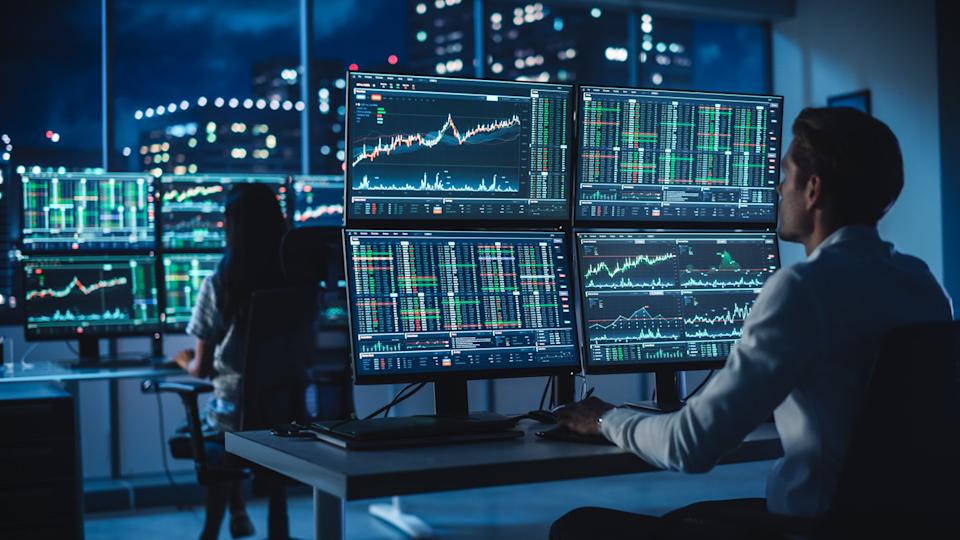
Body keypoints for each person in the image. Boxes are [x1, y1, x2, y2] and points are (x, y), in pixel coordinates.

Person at [550, 107, 954, 539]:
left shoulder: (803, 287)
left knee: (577, 526)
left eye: (786, 174)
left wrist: (606, 420)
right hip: (902, 526)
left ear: (813, 189)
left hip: (813, 527)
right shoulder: (921, 282)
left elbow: (690, 446)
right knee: (694, 514)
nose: (780, 189)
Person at [173, 182, 288, 539]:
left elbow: (203, 369)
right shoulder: (296, 281)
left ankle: (215, 528)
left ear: (231, 227)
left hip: (235, 421)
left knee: (225, 426)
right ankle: (247, 515)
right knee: (245, 422)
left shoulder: (220, 284)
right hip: (289, 420)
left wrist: (183, 361)